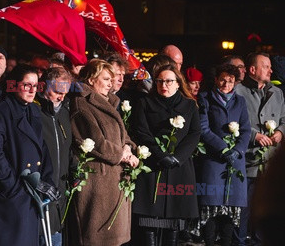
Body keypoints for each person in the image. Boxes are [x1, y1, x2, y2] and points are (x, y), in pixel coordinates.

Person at [0, 64, 56, 246]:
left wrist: (47, 181)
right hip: (11, 199)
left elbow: (42, 148)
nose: (32, 90)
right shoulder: (1, 111)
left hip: (29, 196)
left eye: (36, 86)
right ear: (14, 85)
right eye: (27, 85)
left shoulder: (33, 110)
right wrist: (13, 187)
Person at [68, 59, 139, 246]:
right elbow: (96, 142)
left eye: (111, 79)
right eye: (106, 79)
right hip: (98, 182)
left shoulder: (109, 102)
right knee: (97, 238)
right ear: (91, 80)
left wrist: (128, 147)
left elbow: (122, 134)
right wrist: (122, 155)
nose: (111, 83)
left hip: (114, 179)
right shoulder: (81, 103)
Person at [132, 64, 201, 246]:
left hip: (179, 167)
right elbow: (141, 131)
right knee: (150, 220)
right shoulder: (145, 103)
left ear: (178, 83)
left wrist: (178, 157)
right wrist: (160, 154)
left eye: (169, 81)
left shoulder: (189, 105)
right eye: (160, 81)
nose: (164, 85)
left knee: (174, 223)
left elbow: (194, 134)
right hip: (153, 166)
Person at [196, 64, 251, 246]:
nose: (226, 84)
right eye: (223, 79)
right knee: (211, 208)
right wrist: (223, 149)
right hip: (213, 160)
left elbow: (245, 130)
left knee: (230, 211)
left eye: (231, 81)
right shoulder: (205, 98)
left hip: (234, 162)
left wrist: (237, 150)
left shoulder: (240, 101)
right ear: (216, 79)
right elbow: (204, 128)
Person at [233, 52, 285, 246]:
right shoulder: (238, 91)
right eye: (266, 66)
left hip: (269, 160)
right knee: (244, 208)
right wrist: (254, 135)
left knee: (266, 211)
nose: (271, 70)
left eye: (271, 66)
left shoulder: (277, 92)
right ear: (252, 70)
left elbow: (284, 119)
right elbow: (234, 121)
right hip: (247, 159)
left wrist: (280, 132)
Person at [35, 67, 74, 246]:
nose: (61, 97)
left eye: (65, 93)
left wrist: (75, 169)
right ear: (44, 87)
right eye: (57, 92)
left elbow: (68, 148)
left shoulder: (64, 113)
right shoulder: (34, 112)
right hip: (38, 192)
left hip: (59, 193)